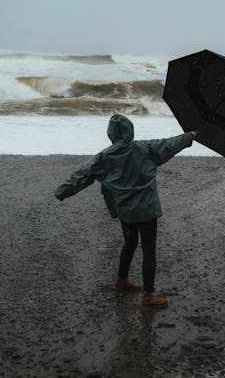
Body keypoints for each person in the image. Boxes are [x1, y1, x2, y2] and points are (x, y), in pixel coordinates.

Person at [54, 114, 196, 308]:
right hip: (146, 211)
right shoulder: (146, 148)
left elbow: (82, 175)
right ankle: (148, 295)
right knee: (148, 249)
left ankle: (122, 280)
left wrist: (62, 191)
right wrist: (189, 136)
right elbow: (170, 144)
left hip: (126, 212)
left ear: (111, 135)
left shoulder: (105, 157)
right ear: (131, 130)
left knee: (130, 243)